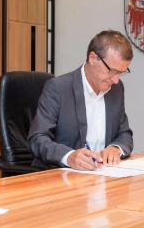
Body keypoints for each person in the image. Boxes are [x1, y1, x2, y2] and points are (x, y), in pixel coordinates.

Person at [28, 30, 134, 170]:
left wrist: (115, 148)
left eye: (121, 72)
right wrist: (69, 156)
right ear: (92, 58)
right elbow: (37, 139)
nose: (116, 80)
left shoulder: (116, 89)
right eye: (112, 71)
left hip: (102, 174)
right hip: (61, 175)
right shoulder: (58, 88)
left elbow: (124, 133)